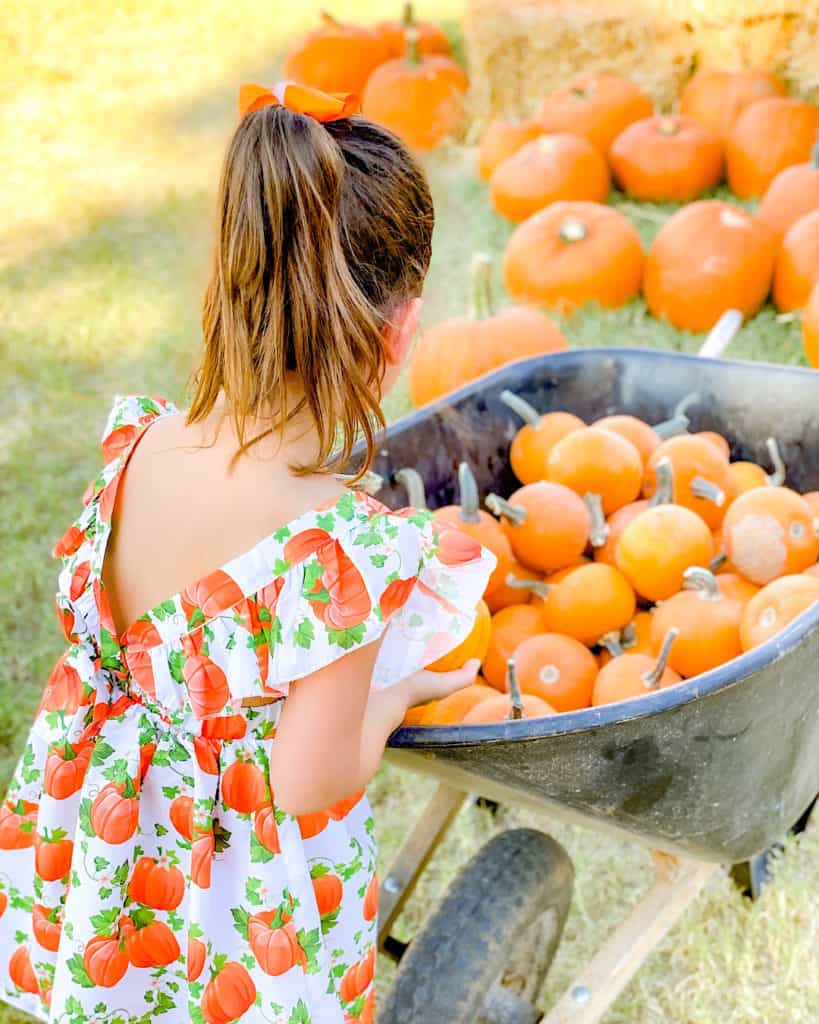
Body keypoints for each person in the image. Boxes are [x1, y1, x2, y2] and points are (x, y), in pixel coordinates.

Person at [0, 82, 494, 1024]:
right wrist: (397, 692)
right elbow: (308, 778)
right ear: (401, 331)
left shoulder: (139, 445)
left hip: (117, 869)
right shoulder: (339, 553)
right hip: (231, 916)